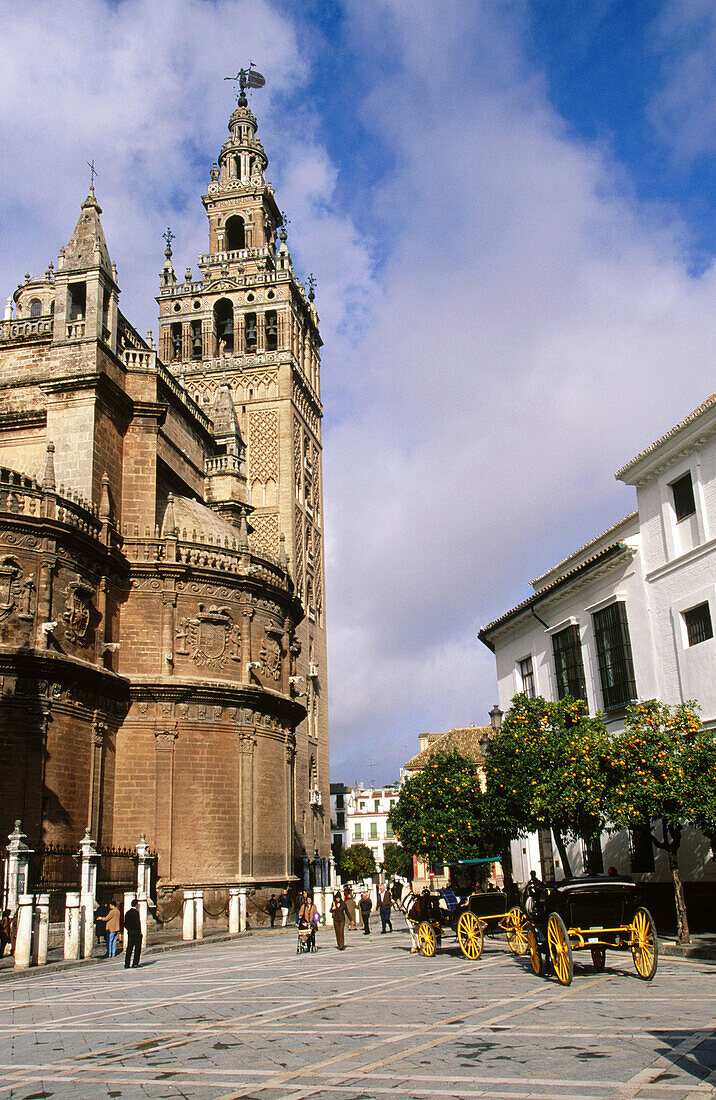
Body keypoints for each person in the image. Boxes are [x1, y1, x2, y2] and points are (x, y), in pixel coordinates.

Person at [123, 899, 142, 969]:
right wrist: (139, 932)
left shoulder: (127, 913)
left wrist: (129, 930)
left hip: (130, 933)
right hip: (136, 933)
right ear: (136, 905)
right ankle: (135, 963)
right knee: (137, 948)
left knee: (129, 948)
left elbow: (125, 924)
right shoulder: (136, 913)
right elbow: (137, 923)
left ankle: (127, 963)